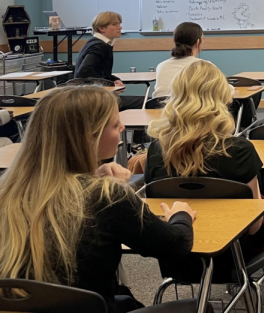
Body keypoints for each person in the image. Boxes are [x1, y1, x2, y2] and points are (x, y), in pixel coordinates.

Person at [0, 86, 196, 313]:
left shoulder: (8, 193)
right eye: (114, 125)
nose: (122, 127)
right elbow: (177, 246)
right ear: (88, 137)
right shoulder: (106, 197)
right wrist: (181, 215)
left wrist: (93, 177)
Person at [145, 60, 264, 277]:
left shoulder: (156, 151)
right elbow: (255, 224)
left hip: (179, 251)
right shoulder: (238, 149)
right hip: (237, 250)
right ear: (221, 98)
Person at [73, 11, 144, 110]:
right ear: (101, 28)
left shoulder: (99, 43)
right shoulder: (98, 45)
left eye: (119, 24)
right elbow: (84, 71)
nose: (120, 27)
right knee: (150, 103)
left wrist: (113, 79)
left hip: (95, 95)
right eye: (115, 24)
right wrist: (110, 84)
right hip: (92, 98)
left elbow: (100, 71)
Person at [153, 22, 204, 100]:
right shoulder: (205, 66)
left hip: (160, 110)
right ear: (197, 43)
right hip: (190, 110)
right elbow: (227, 92)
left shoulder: (161, 66)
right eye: (203, 39)